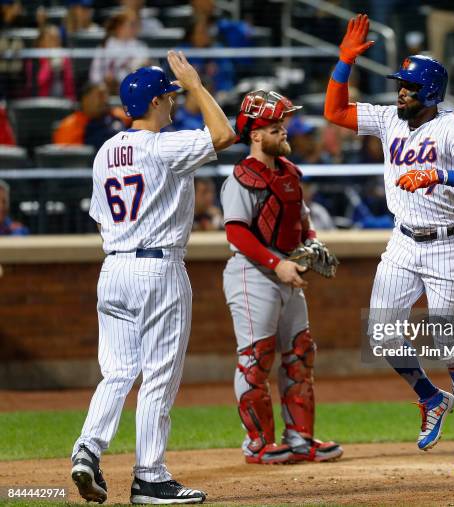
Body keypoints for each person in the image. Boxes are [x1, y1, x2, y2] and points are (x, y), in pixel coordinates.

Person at [324, 15, 454, 480]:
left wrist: (439, 174)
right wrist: (343, 62)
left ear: (431, 94)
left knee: (450, 345)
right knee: (382, 334)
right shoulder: (387, 120)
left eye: (409, 87)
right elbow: (335, 113)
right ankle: (429, 397)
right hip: (402, 241)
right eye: (399, 85)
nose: (401, 93)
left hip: (447, 246)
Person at [70, 51, 235, 505]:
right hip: (156, 267)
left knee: (117, 373)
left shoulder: (106, 150)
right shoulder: (165, 145)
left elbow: (101, 218)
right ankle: (149, 477)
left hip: (114, 266)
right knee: (158, 376)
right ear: (157, 102)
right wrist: (197, 84)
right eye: (169, 96)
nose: (173, 102)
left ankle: (87, 448)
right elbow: (224, 133)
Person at [220, 89, 343, 465]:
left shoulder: (289, 173)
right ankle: (258, 444)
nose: (284, 132)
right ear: (255, 135)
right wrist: (278, 265)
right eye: (276, 127)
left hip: (287, 272)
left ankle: (300, 438)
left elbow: (302, 222)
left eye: (282, 125)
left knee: (300, 354)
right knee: (257, 358)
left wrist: (310, 246)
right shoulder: (240, 178)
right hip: (252, 273)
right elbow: (236, 232)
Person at [53, 82, 128, 150]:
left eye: (106, 95)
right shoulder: (69, 126)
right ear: (85, 100)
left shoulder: (117, 114)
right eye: (100, 95)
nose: (105, 99)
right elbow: (69, 160)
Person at [89, 10, 149, 94]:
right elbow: (94, 76)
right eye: (130, 25)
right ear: (119, 27)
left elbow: (142, 71)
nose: (134, 28)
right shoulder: (104, 46)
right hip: (107, 91)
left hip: (133, 90)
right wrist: (104, 83)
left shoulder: (140, 46)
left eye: (134, 25)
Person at [24, 24, 76, 100]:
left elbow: (70, 86)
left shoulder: (65, 59)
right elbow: (38, 84)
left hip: (62, 103)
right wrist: (49, 64)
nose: (56, 42)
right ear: (41, 42)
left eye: (57, 39)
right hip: (40, 102)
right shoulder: (33, 59)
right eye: (51, 38)